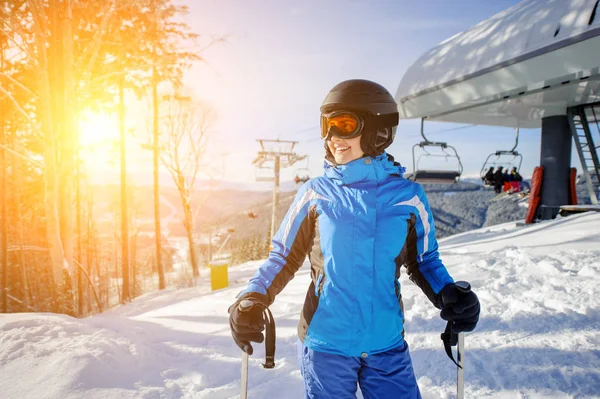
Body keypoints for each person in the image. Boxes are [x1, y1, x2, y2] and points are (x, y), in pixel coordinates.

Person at [228, 79, 480, 398]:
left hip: (386, 345)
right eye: (327, 127)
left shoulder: (408, 197)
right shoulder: (314, 194)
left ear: (378, 130)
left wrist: (448, 293)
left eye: (345, 125)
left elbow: (424, 260)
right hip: (325, 347)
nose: (333, 138)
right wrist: (252, 295)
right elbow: (283, 257)